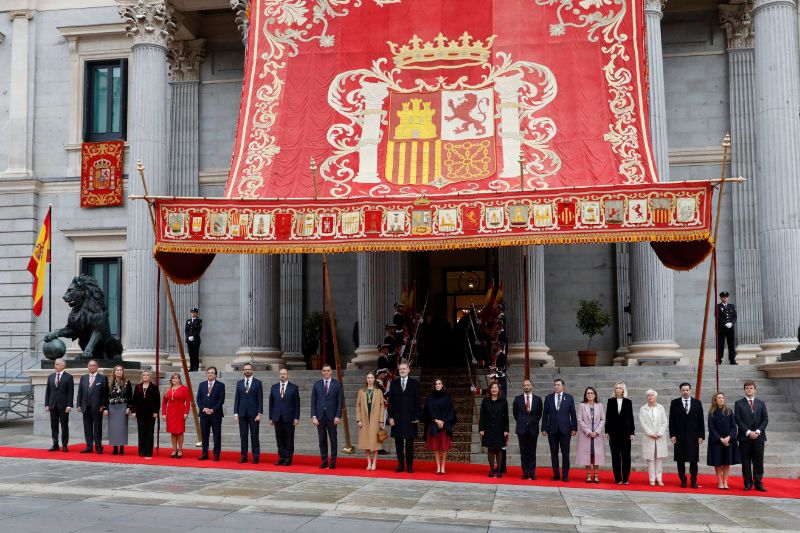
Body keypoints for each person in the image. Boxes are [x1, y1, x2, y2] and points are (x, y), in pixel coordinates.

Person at [387, 359, 421, 473]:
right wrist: (390, 417)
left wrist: (417, 417)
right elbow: (390, 402)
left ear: (408, 370)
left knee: (410, 443)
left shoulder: (415, 384)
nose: (402, 370)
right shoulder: (394, 383)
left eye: (404, 369)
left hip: (410, 418)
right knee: (399, 442)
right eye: (400, 369)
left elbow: (417, 402)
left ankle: (410, 465)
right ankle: (401, 464)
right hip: (397, 419)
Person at [669, 382, 705, 488]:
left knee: (693, 460)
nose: (685, 392)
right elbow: (672, 420)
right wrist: (672, 435)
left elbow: (701, 420)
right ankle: (683, 481)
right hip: (679, 436)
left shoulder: (697, 403)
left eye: (687, 390)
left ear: (690, 390)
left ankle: (694, 481)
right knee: (680, 460)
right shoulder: (674, 403)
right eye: (683, 390)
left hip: (693, 436)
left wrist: (701, 435)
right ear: (680, 391)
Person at [735, 380, 769, 492]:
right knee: (746, 461)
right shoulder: (739, 403)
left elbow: (765, 419)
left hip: (759, 437)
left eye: (751, 388)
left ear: (755, 390)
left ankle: (758, 483)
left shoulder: (761, 403)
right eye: (747, 388)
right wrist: (749, 432)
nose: (749, 390)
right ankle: (748, 483)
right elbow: (738, 420)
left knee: (758, 461)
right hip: (745, 437)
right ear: (744, 390)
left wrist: (758, 431)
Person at [541, 378, 577, 482]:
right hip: (552, 429)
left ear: (563, 386)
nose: (556, 386)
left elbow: (573, 414)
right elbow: (545, 414)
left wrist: (574, 428)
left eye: (558, 385)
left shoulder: (569, 398)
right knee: (554, 453)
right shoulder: (548, 398)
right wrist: (544, 428)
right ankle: (556, 474)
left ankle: (565, 475)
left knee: (565, 453)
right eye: (555, 385)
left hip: (565, 430)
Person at [422, 378, 457, 475]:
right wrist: (436, 420)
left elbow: (450, 410)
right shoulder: (430, 397)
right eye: (436, 384)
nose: (437, 385)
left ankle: (443, 466)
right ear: (434, 385)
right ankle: (438, 466)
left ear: (442, 385)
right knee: (436, 447)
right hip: (434, 424)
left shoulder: (447, 397)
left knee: (444, 447)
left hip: (445, 424)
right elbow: (428, 410)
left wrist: (443, 421)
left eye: (439, 383)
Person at [311, 364, 343, 469]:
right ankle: (324, 461)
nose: (326, 372)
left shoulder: (337, 384)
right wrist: (313, 416)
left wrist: (338, 416)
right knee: (322, 440)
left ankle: (333, 462)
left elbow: (340, 401)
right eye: (324, 370)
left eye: (328, 370)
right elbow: (313, 402)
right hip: (320, 416)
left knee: (333, 439)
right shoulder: (317, 384)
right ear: (322, 372)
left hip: (332, 416)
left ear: (331, 372)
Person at [707, 392, 740, 490]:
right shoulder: (712, 412)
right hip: (717, 441)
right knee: (718, 463)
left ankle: (725, 482)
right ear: (715, 400)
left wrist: (728, 437)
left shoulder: (729, 411)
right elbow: (711, 428)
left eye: (722, 398)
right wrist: (721, 439)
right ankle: (720, 482)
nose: (721, 399)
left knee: (726, 462)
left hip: (728, 441)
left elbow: (734, 427)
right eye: (719, 398)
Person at [605, 382, 635, 485]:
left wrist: (632, 432)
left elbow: (631, 418)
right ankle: (618, 478)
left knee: (626, 456)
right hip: (613, 433)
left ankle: (625, 478)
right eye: (616, 388)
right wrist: (606, 431)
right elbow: (608, 417)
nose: (618, 390)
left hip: (626, 433)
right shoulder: (610, 401)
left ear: (623, 390)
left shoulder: (628, 402)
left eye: (620, 388)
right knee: (615, 456)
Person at [233, 363, 263, 464]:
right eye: (245, 369)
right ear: (243, 371)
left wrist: (260, 413)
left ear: (252, 370)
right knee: (243, 436)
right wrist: (236, 413)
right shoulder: (239, 383)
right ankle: (243, 456)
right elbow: (237, 399)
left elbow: (260, 399)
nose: (247, 371)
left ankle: (255, 456)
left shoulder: (258, 383)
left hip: (254, 414)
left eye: (249, 369)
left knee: (254, 436)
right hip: (242, 413)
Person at [269, 367, 300, 466]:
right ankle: (281, 457)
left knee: (289, 438)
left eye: (284, 374)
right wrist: (271, 417)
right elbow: (271, 403)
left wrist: (296, 417)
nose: (282, 375)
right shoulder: (274, 387)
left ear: (287, 375)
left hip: (289, 417)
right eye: (281, 374)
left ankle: (288, 457)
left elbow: (297, 404)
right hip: (277, 417)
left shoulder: (294, 388)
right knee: (279, 438)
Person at [512, 379, 542, 480]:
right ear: (522, 387)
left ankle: (532, 472)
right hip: (521, 429)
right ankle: (525, 472)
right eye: (524, 385)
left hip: (533, 428)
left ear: (531, 386)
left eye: (528, 385)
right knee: (523, 451)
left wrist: (531, 421)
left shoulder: (538, 399)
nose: (526, 387)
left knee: (532, 452)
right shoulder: (517, 399)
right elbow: (515, 414)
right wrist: (523, 421)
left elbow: (539, 414)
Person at [355, 372, 386, 470]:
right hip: (364, 420)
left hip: (375, 421)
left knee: (375, 443)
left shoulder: (378, 391)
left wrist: (381, 420)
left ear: (374, 379)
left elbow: (382, 406)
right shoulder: (361, 391)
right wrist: (359, 419)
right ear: (366, 379)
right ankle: (368, 462)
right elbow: (358, 406)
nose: (369, 379)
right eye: (368, 378)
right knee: (366, 443)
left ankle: (374, 462)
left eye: (371, 378)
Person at [76, 359, 108, 454]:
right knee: (87, 428)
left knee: (97, 428)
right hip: (85, 407)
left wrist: (103, 406)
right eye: (90, 365)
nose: (92, 367)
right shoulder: (83, 378)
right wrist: (78, 405)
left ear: (97, 367)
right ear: (88, 367)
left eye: (94, 365)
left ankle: (98, 447)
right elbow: (80, 393)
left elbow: (105, 394)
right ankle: (89, 446)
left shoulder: (102, 378)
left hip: (97, 408)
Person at [576, 386, 606, 483]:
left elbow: (603, 419)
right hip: (586, 435)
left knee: (596, 455)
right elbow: (580, 419)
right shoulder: (582, 405)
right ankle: (588, 475)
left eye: (591, 393)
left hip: (597, 434)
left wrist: (597, 431)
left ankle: (596, 475)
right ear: (585, 395)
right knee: (587, 454)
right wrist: (588, 431)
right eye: (588, 393)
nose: (589, 395)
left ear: (595, 395)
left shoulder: (599, 405)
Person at [479, 382, 509, 478]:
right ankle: (492, 470)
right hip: (488, 429)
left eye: (495, 388)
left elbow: (506, 417)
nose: (494, 389)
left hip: (500, 429)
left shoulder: (503, 400)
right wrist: (481, 428)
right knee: (490, 449)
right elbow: (482, 416)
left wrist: (506, 429)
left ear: (499, 389)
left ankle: (499, 470)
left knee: (499, 449)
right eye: (492, 388)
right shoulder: (485, 400)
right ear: (490, 389)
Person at [639, 389, 668, 486]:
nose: (650, 397)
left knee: (659, 458)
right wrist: (650, 433)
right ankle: (651, 478)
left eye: (652, 395)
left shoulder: (661, 407)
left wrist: (659, 433)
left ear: (655, 397)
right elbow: (642, 423)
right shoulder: (643, 409)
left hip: (660, 437)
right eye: (648, 395)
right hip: (648, 437)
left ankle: (659, 478)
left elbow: (665, 421)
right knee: (650, 458)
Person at [44, 358, 73, 452]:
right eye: (55, 364)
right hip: (53, 405)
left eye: (57, 364)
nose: (55, 366)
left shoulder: (68, 377)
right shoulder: (51, 377)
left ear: (62, 366)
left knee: (64, 426)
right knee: (54, 426)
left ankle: (64, 445)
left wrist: (69, 405)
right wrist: (47, 404)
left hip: (64, 406)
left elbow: (70, 392)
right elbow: (48, 391)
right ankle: (55, 444)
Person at [197, 366, 225, 461]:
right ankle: (204, 453)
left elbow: (221, 400)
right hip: (204, 414)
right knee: (204, 435)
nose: (210, 374)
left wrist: (213, 409)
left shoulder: (221, 385)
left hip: (216, 414)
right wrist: (203, 408)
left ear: (216, 375)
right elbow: (198, 399)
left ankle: (216, 454)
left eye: (212, 373)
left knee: (216, 435)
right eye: (208, 372)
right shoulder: (202, 385)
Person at [131, 369, 160, 459]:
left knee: (149, 433)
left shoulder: (154, 387)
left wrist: (156, 411)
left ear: (150, 377)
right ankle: (142, 451)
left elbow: (157, 401)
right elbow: (134, 400)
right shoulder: (138, 387)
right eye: (144, 375)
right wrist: (134, 411)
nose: (145, 377)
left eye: (147, 375)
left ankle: (148, 451)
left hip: (151, 413)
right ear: (142, 377)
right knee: (141, 432)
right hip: (140, 413)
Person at [105, 364, 132, 455]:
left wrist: (129, 407)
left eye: (121, 370)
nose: (119, 371)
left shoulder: (127, 382)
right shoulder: (109, 382)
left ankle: (121, 448)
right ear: (114, 371)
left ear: (123, 372)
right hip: (112, 407)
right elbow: (105, 396)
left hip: (122, 407)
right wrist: (105, 408)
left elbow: (129, 396)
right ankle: (115, 448)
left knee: (122, 428)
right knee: (113, 429)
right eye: (117, 370)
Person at [161, 373, 190, 458]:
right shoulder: (168, 389)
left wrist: (186, 412)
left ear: (179, 379)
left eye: (176, 378)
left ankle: (180, 450)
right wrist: (163, 414)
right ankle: (174, 449)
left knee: (180, 432)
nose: (174, 380)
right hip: (170, 412)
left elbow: (188, 401)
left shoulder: (184, 389)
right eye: (172, 378)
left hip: (180, 412)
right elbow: (164, 403)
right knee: (173, 432)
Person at [717, 291, 737, 365]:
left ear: (727, 298)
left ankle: (732, 360)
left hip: (730, 329)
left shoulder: (731, 306)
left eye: (726, 297)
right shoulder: (718, 306)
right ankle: (719, 359)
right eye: (723, 297)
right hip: (722, 329)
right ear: (721, 298)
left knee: (731, 345)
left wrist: (731, 323)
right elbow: (717, 317)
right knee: (720, 345)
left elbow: (735, 316)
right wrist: (725, 323)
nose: (724, 298)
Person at [185, 307, 202, 372]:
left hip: (196, 340)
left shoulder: (199, 321)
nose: (192, 313)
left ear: (196, 313)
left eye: (194, 312)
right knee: (191, 354)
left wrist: (193, 336)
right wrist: (188, 336)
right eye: (192, 312)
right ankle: (191, 367)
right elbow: (186, 330)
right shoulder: (188, 321)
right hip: (189, 340)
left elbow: (198, 330)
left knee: (195, 353)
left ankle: (196, 367)